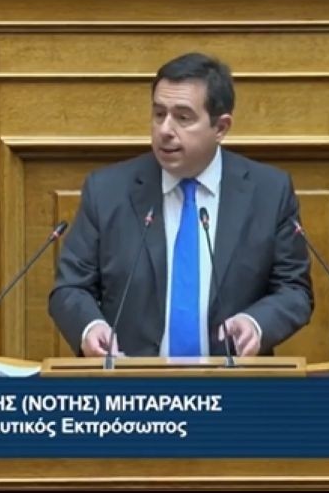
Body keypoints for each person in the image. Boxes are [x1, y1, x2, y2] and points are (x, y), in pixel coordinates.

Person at [48, 52, 313, 358]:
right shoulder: (107, 191)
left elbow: (294, 290)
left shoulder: (269, 192)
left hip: (234, 379)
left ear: (221, 127)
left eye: (183, 118)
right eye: (159, 114)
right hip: (132, 379)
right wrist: (90, 326)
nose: (165, 130)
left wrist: (256, 323)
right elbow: (70, 288)